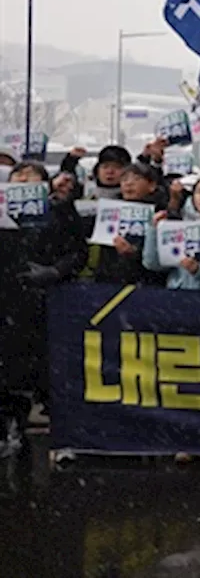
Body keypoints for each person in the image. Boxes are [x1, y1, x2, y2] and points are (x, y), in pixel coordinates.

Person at [0, 161, 87, 454]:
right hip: (7, 298)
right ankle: (12, 429)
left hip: (46, 300)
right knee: (9, 371)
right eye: (16, 176)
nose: (22, 180)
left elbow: (77, 252)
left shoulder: (59, 211)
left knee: (48, 367)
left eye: (29, 176)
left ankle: (64, 435)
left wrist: (54, 272)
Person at [94, 162, 169, 287]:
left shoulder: (162, 214)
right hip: (110, 281)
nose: (128, 183)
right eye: (124, 179)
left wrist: (134, 254)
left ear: (151, 185)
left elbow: (164, 256)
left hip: (149, 284)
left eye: (136, 179)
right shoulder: (109, 211)